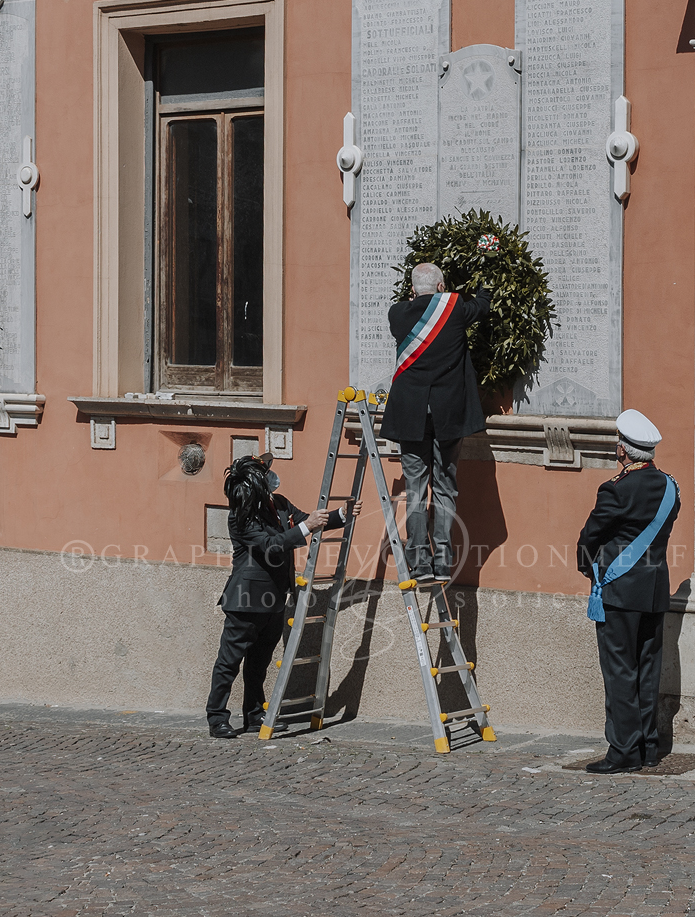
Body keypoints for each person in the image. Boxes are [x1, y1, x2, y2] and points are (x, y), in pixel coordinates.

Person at [205, 455, 350, 739]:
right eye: (266, 473)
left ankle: (255, 714)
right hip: (246, 601)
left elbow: (307, 519)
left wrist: (341, 514)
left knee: (259, 663)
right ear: (256, 483)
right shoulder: (241, 516)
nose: (272, 476)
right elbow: (272, 544)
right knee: (229, 662)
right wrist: (307, 526)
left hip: (274, 598)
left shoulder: (279, 503)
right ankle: (217, 717)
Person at [576, 409, 680, 775]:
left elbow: (590, 535)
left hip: (619, 593)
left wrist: (588, 566)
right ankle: (648, 746)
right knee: (647, 670)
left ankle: (623, 751)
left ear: (622, 451)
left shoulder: (616, 490)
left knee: (620, 671)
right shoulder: (670, 487)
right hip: (654, 591)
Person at [379, 262, 490, 581]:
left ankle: (419, 561)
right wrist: (487, 276)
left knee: (415, 489)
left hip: (411, 416)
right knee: (445, 487)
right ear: (442, 287)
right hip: (447, 416)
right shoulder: (454, 309)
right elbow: (482, 305)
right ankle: (442, 560)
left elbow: (412, 305)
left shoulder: (397, 314)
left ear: (412, 290)